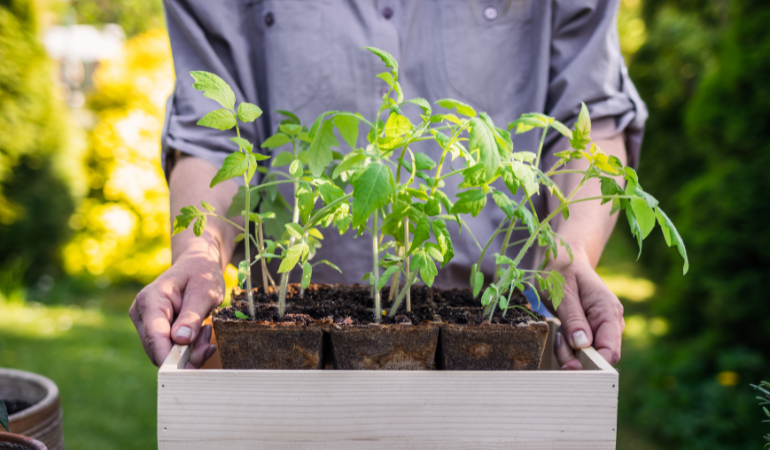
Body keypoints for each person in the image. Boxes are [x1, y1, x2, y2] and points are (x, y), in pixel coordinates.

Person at [130, 0, 646, 370]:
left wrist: (572, 252)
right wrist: (200, 252)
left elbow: (589, 118)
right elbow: (212, 133)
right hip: (284, 326)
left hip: (501, 316)